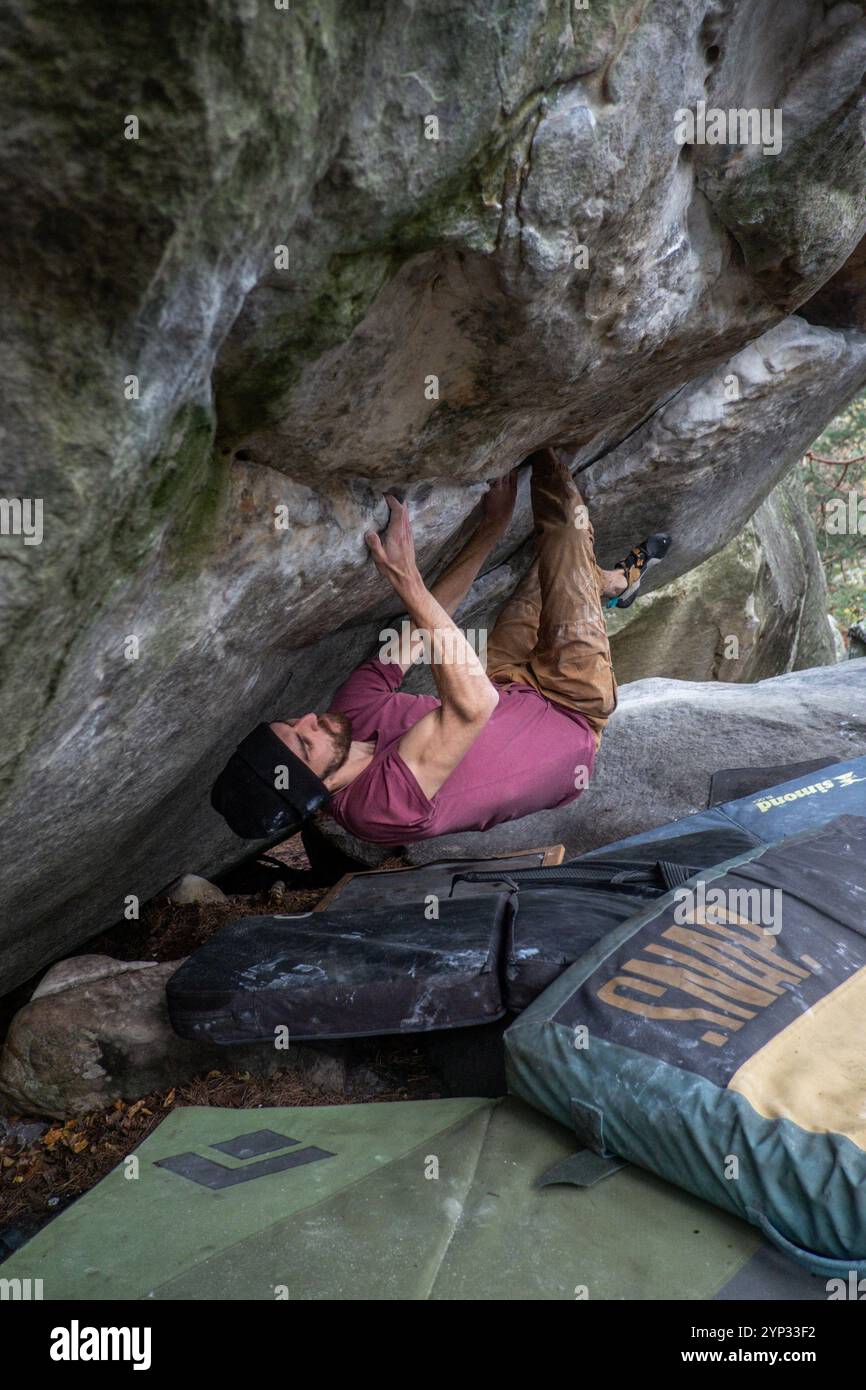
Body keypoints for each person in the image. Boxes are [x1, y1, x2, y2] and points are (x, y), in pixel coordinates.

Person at [211, 449, 669, 845]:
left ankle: (615, 583)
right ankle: (561, 425)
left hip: (510, 681)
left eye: (293, 722)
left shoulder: (351, 711)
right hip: (573, 712)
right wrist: (405, 578)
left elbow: (428, 623)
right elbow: (473, 706)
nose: (310, 720)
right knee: (565, 528)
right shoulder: (376, 809)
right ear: (318, 787)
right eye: (305, 743)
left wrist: (492, 526)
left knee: (548, 575)